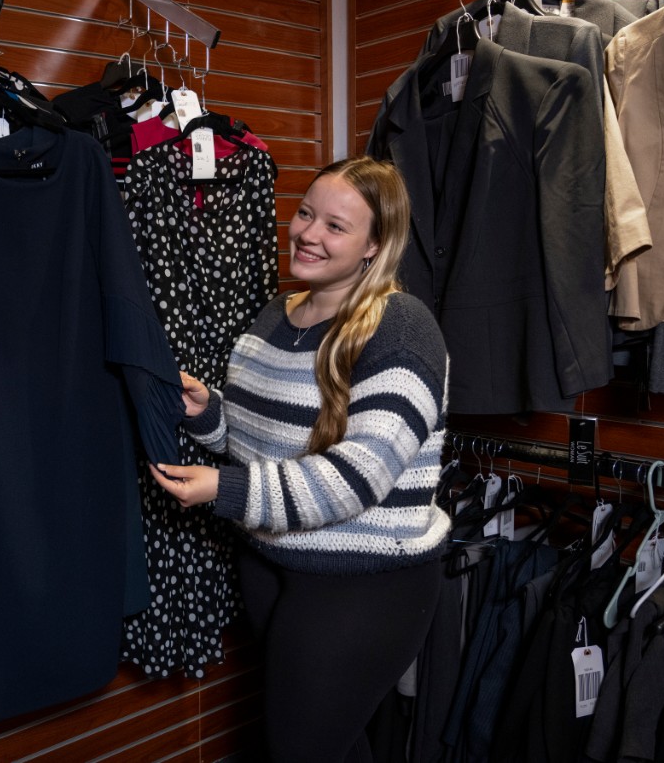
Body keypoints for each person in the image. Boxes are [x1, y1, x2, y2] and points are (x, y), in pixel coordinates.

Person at [153, 156, 451, 763]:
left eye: (335, 226)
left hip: (363, 584)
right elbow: (262, 446)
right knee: (330, 746)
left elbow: (356, 477)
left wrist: (225, 491)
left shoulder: (402, 328)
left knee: (298, 750)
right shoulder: (277, 313)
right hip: (272, 561)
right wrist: (208, 413)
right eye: (305, 213)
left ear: (375, 245)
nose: (308, 233)